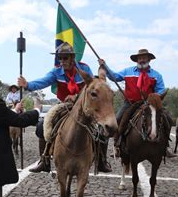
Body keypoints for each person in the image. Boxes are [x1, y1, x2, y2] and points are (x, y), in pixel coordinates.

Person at [17, 42, 113, 173]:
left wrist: (77, 96)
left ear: (72, 58)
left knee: (101, 129)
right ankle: (44, 160)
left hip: (84, 106)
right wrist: (27, 84)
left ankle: (101, 160)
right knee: (41, 126)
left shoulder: (84, 68)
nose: (62, 61)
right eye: (60, 58)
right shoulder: (56, 71)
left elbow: (94, 85)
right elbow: (43, 81)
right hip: (64, 104)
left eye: (65, 58)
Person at [100, 48, 177, 158]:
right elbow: (115, 77)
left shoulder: (157, 75)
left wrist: (154, 97)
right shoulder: (128, 71)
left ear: (149, 59)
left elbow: (161, 90)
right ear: (136, 60)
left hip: (149, 104)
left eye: (144, 58)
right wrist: (105, 66)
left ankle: (165, 145)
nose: (142, 60)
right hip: (130, 103)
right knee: (118, 119)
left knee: (167, 118)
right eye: (140, 58)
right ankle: (117, 146)